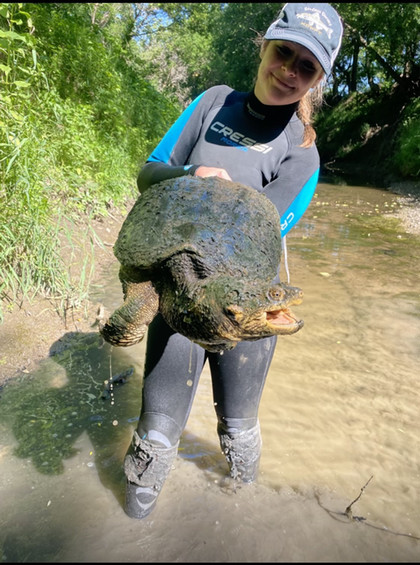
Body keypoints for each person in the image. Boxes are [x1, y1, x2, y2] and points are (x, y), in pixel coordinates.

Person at [123, 3, 343, 519]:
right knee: (155, 436)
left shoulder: (303, 153)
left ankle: (241, 515)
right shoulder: (212, 102)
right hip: (176, 292)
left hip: (248, 312)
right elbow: (150, 172)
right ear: (263, 46)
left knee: (239, 431)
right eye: (282, 52)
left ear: (316, 81)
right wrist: (193, 174)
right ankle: (132, 525)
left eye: (305, 67)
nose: (288, 70)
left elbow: (266, 235)